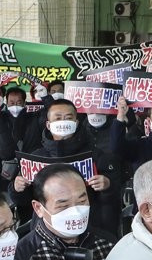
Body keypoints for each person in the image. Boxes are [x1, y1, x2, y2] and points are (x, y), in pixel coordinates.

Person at [12, 99, 122, 234]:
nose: (63, 122)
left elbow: (115, 191)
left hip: (89, 226)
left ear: (76, 122)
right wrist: (16, 188)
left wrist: (107, 185)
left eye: (68, 118)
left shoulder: (95, 155)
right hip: (47, 229)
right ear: (48, 124)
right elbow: (24, 200)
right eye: (58, 118)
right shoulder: (35, 157)